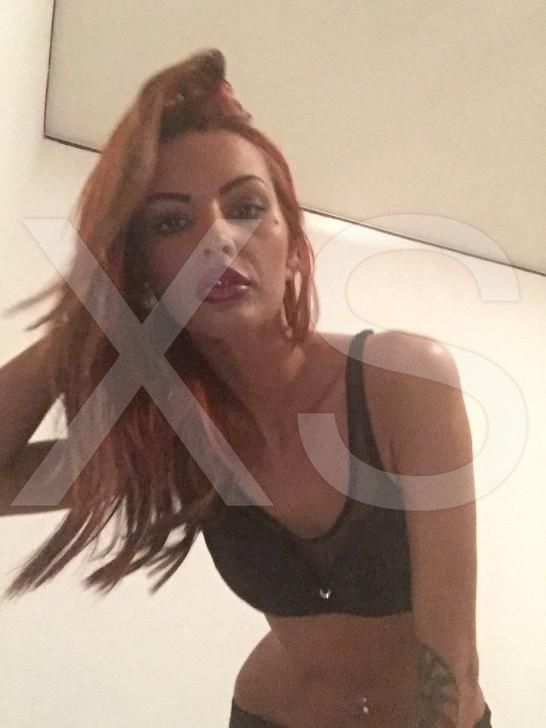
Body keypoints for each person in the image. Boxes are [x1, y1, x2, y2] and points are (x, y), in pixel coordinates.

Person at [0, 48, 492, 727]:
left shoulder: (402, 383)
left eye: (246, 207)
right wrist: (89, 318)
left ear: (292, 245)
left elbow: (452, 664)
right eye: (172, 222)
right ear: (143, 271)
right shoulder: (176, 435)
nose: (217, 241)